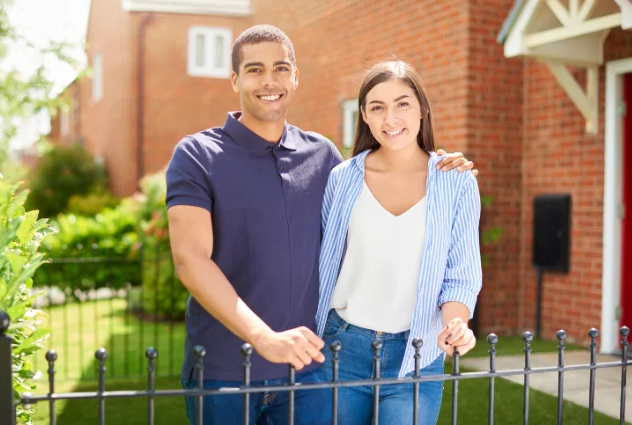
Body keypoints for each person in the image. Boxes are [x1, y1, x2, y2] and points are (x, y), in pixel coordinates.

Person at [165, 25, 477, 425]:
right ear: (235, 80)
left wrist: (444, 166)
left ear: (295, 76)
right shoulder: (197, 155)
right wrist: (264, 338)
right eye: (255, 69)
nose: (269, 81)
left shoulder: (322, 157)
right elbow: (190, 260)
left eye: (280, 68)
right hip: (228, 369)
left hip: (309, 368)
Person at [315, 60, 483, 425]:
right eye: (377, 107)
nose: (391, 118)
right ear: (365, 115)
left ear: (422, 108)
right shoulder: (343, 179)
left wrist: (456, 325)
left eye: (402, 104)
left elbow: (461, 273)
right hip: (342, 348)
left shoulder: (456, 182)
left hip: (418, 354)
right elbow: (324, 262)